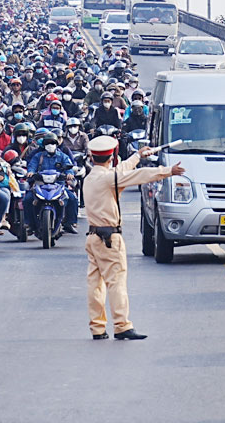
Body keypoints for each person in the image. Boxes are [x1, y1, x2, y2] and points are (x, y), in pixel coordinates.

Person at [83, 134, 181, 340]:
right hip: (109, 239)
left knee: (95, 284)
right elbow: (140, 175)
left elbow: (119, 172)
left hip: (93, 237)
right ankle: (121, 325)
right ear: (112, 156)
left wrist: (138, 155)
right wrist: (168, 171)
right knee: (116, 282)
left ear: (93, 157)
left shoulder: (92, 178)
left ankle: (98, 328)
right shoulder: (109, 178)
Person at [25, 132, 78, 235]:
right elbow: (32, 165)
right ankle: (29, 224)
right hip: (41, 185)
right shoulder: (38, 156)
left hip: (58, 185)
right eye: (48, 143)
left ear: (56, 144)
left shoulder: (62, 156)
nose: (50, 145)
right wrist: (30, 172)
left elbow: (69, 167)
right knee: (27, 199)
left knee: (72, 198)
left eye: (52, 143)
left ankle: (70, 223)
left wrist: (69, 174)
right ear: (44, 145)